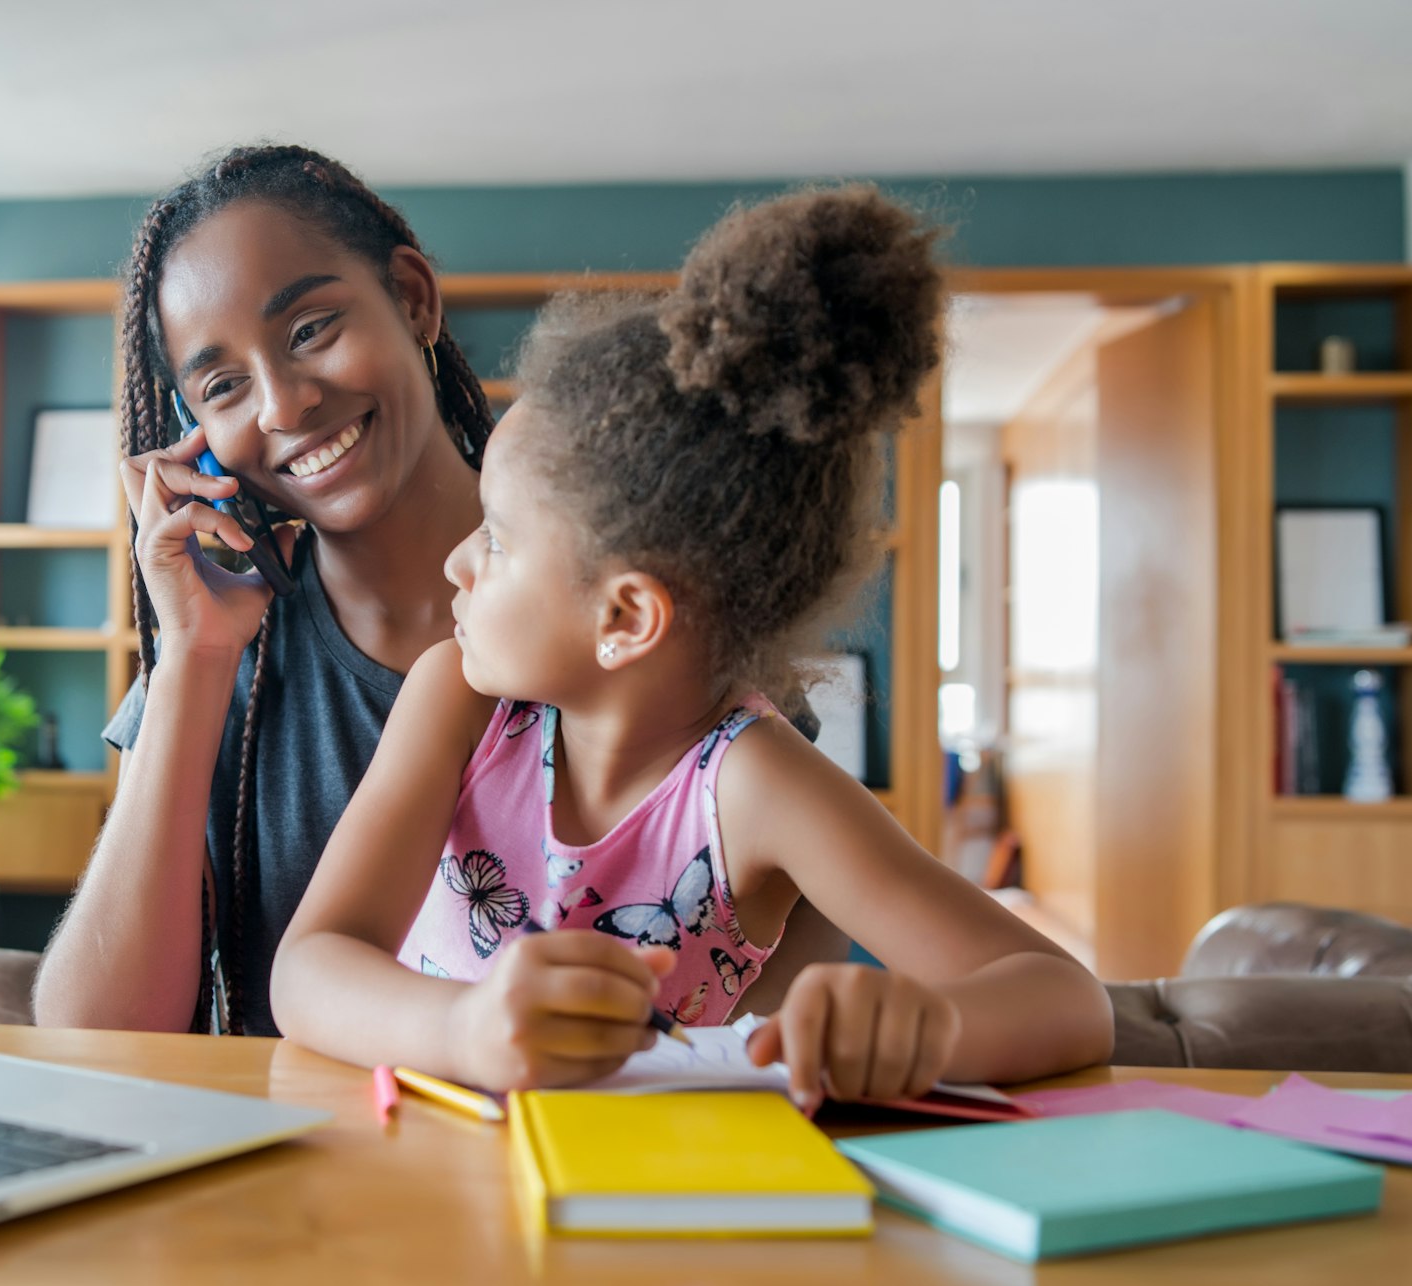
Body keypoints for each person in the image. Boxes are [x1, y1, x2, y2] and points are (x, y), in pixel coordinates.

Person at [270, 186, 1114, 1107]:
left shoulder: (756, 785)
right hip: (408, 1173)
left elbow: (1069, 1000)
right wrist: (462, 1029)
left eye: (500, 541)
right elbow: (308, 970)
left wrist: (926, 1023)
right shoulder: (458, 703)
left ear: (626, 619)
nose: (458, 562)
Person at [32, 145, 494, 1036]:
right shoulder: (220, 664)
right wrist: (195, 663)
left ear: (412, 299)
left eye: (311, 328)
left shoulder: (625, 603)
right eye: (223, 386)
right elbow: (99, 1043)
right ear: (195, 437)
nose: (282, 406)